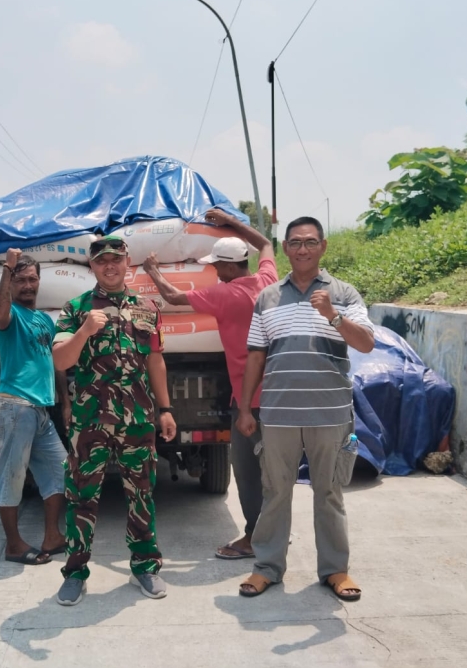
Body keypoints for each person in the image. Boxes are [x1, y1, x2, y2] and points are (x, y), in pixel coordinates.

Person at [235, 216, 375, 602]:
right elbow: (256, 355)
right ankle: (267, 567)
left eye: (310, 242)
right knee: (275, 492)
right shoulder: (267, 297)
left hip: (330, 414)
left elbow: (366, 343)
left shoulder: (344, 293)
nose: (303, 249)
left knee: (328, 492)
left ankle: (335, 570)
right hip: (278, 414)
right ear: (285, 248)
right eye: (295, 242)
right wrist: (245, 408)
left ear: (323, 246)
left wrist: (333, 314)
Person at [142, 208, 277, 561]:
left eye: (217, 266)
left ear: (229, 268)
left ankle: (254, 538)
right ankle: (274, 532)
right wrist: (232, 224)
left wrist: (152, 270)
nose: (214, 271)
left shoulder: (225, 295)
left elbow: (173, 298)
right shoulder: (267, 281)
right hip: (279, 395)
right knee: (275, 470)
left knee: (247, 473)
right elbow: (265, 244)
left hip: (249, 399)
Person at [51, 235, 177, 606]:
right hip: (90, 421)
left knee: (142, 494)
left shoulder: (147, 308)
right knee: (81, 497)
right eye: (102, 260)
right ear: (92, 266)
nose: (109, 266)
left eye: (115, 259)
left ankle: (145, 567)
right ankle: (75, 573)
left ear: (126, 263)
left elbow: (155, 359)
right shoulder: (76, 308)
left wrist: (166, 409)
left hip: (137, 418)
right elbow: (61, 360)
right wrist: (84, 331)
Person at [0, 248, 70, 565]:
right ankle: (14, 545)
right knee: (12, 477)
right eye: (21, 280)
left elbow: (56, 362)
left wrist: (64, 402)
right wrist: (6, 268)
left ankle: (52, 536)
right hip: (14, 406)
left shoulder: (44, 320)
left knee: (60, 470)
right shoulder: (9, 315)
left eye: (32, 279)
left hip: (40, 411)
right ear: (11, 283)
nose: (27, 285)